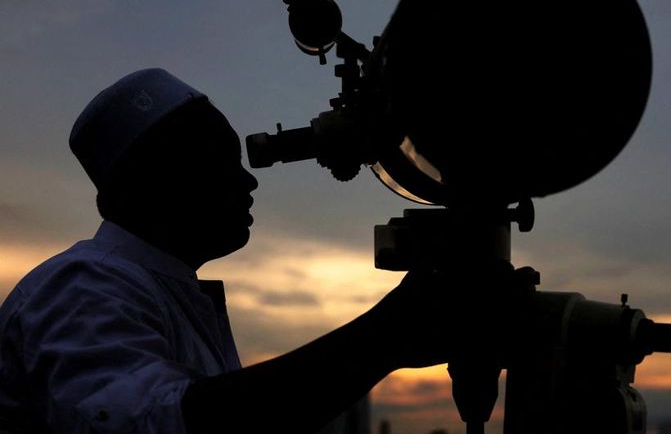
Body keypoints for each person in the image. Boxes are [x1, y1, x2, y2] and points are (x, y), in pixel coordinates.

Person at [0, 68, 515, 433]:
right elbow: (162, 424)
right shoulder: (82, 285)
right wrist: (390, 334)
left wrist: (392, 339)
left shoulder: (157, 293)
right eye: (219, 161)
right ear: (153, 180)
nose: (248, 180)